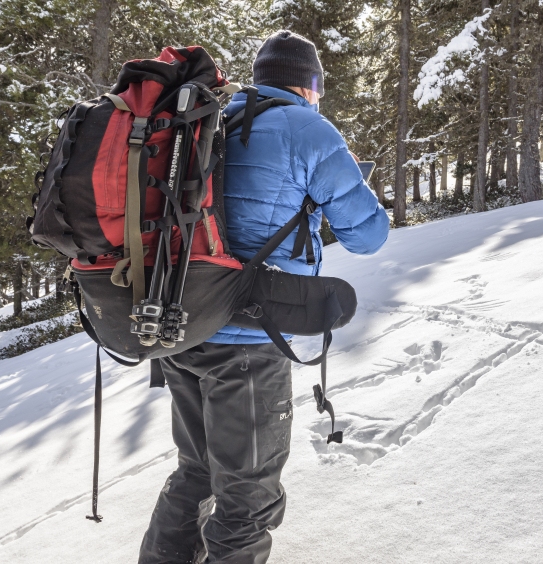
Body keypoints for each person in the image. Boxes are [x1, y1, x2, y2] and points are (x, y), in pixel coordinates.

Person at [138, 30, 390, 564]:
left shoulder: (211, 118)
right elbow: (367, 236)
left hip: (183, 327)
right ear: (309, 85)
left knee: (196, 471)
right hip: (248, 341)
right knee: (247, 496)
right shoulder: (309, 129)